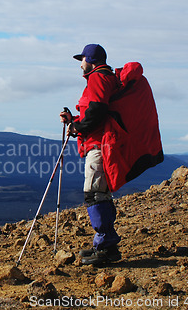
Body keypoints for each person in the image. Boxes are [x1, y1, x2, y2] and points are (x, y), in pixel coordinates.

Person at [60, 44, 122, 265]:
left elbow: (97, 111)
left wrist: (78, 128)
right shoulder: (103, 78)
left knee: (95, 193)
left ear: (91, 60)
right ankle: (103, 244)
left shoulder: (98, 78)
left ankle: (106, 247)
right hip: (99, 142)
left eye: (82, 60)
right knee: (98, 192)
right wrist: (74, 120)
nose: (81, 65)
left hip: (100, 145)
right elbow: (94, 111)